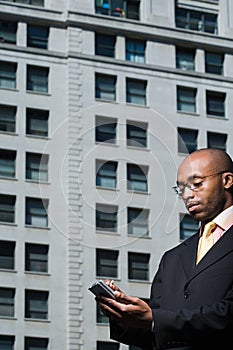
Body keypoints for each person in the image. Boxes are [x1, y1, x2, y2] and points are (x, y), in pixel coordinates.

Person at [98, 148, 233, 350]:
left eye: (196, 184)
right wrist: (126, 315)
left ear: (227, 180)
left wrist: (155, 319)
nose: (188, 195)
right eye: (181, 189)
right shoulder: (173, 258)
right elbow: (155, 333)